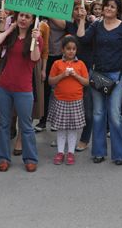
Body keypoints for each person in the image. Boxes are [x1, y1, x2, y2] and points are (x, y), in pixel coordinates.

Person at [76, 0, 122, 165]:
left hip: (117, 76)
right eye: (106, 6)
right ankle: (99, 152)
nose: (108, 9)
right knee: (98, 114)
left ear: (118, 11)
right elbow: (82, 39)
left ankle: (119, 154)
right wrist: (81, 20)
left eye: (112, 7)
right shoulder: (96, 25)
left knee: (115, 115)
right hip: (98, 75)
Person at [0, 12, 41, 173]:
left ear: (32, 20)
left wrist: (35, 40)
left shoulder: (35, 37)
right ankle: (3, 158)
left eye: (27, 17)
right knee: (4, 124)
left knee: (26, 126)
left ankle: (30, 158)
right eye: (21, 16)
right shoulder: (10, 36)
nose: (23, 19)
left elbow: (35, 59)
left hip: (24, 89)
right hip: (4, 87)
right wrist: (8, 29)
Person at [48, 36, 89, 165]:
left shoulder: (81, 64)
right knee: (61, 128)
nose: (71, 51)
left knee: (73, 129)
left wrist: (76, 75)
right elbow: (50, 81)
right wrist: (62, 75)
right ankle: (60, 152)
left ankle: (71, 152)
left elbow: (86, 82)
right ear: (63, 50)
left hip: (76, 100)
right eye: (68, 49)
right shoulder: (57, 64)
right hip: (61, 100)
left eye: (73, 49)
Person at [64, 1, 94, 152]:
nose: (78, 12)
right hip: (69, 69)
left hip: (86, 69)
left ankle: (84, 138)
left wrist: (84, 21)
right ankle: (65, 137)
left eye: (81, 8)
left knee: (87, 108)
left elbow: (83, 39)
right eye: (76, 9)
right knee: (67, 106)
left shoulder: (92, 25)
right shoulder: (68, 25)